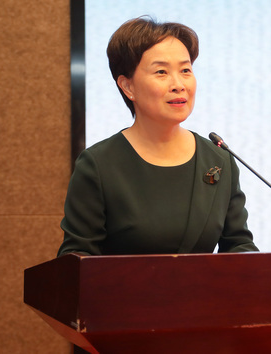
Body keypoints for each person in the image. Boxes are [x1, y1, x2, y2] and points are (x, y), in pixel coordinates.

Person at [57, 16, 258, 256]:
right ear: (128, 86)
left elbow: (239, 245)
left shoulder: (217, 159)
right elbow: (77, 257)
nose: (178, 84)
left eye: (185, 70)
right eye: (161, 72)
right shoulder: (98, 165)